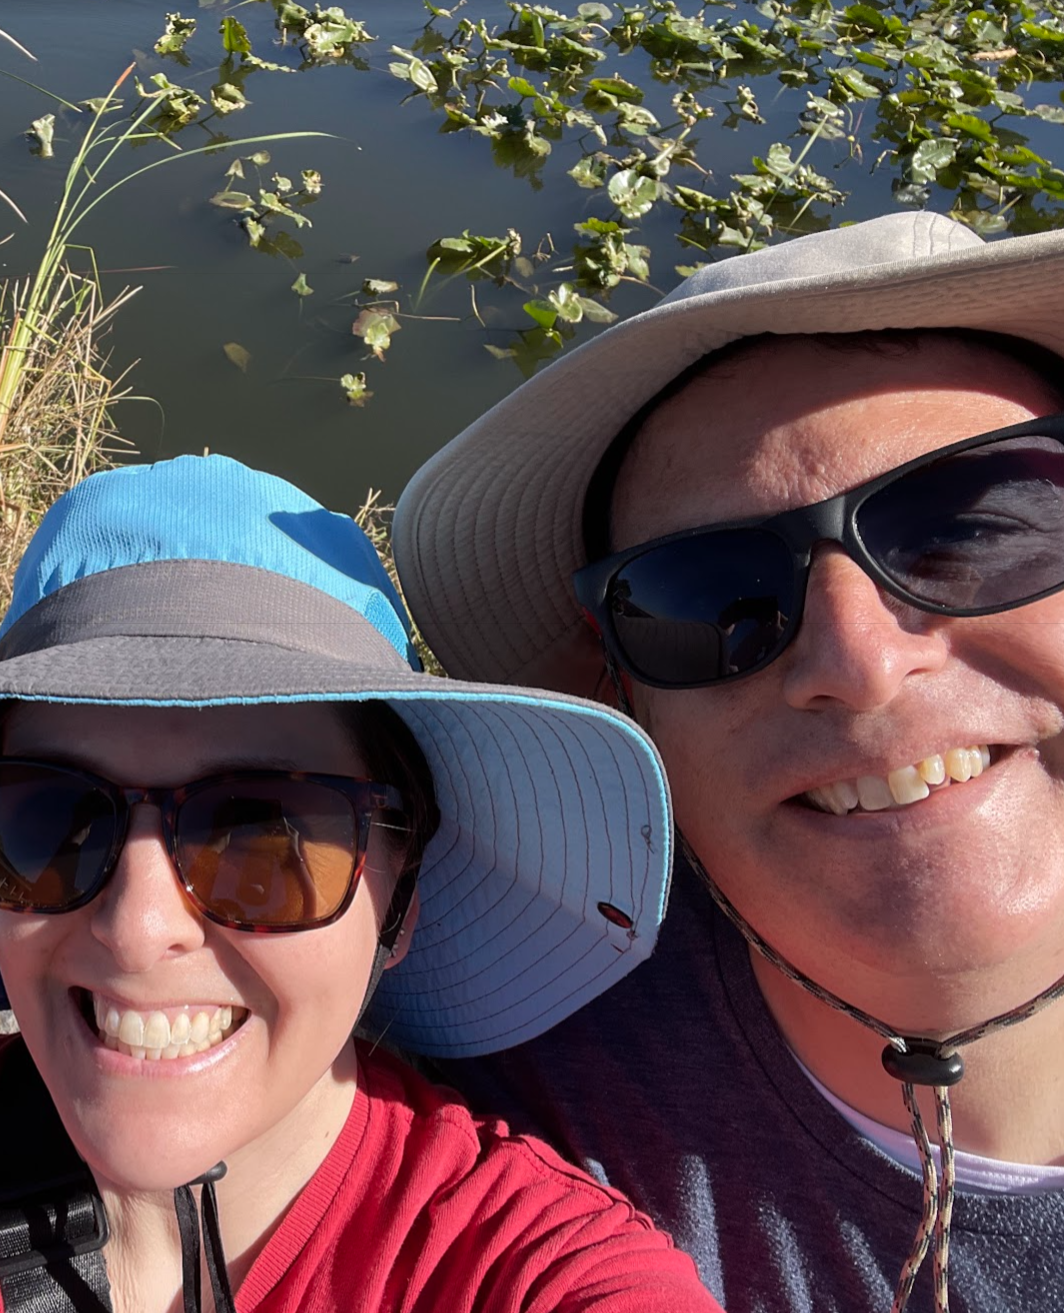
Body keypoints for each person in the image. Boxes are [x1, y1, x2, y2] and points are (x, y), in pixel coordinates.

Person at [0, 454, 719, 1312]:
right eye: (42, 816)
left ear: (400, 891)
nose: (138, 923)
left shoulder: (519, 1267)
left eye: (265, 833)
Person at [393, 210, 1064, 1313]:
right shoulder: (489, 1092)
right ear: (623, 702)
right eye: (708, 596)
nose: (857, 662)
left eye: (968, 530)